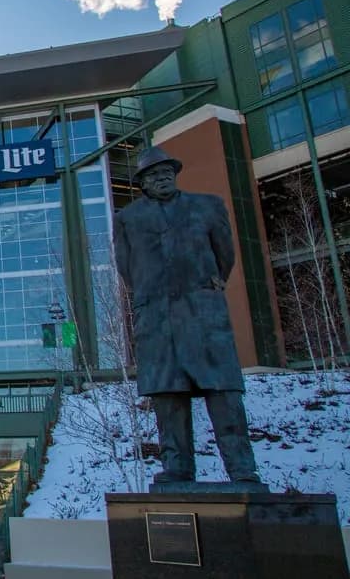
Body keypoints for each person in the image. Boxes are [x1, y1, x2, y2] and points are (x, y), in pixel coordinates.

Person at [113, 146, 263, 488]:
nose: (162, 177)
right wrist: (155, 294)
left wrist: (206, 284)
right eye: (153, 174)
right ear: (142, 183)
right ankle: (177, 467)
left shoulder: (207, 206)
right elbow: (127, 268)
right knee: (168, 398)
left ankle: (242, 468)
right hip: (157, 319)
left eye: (167, 171)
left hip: (204, 314)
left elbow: (224, 254)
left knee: (224, 394)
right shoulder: (128, 219)